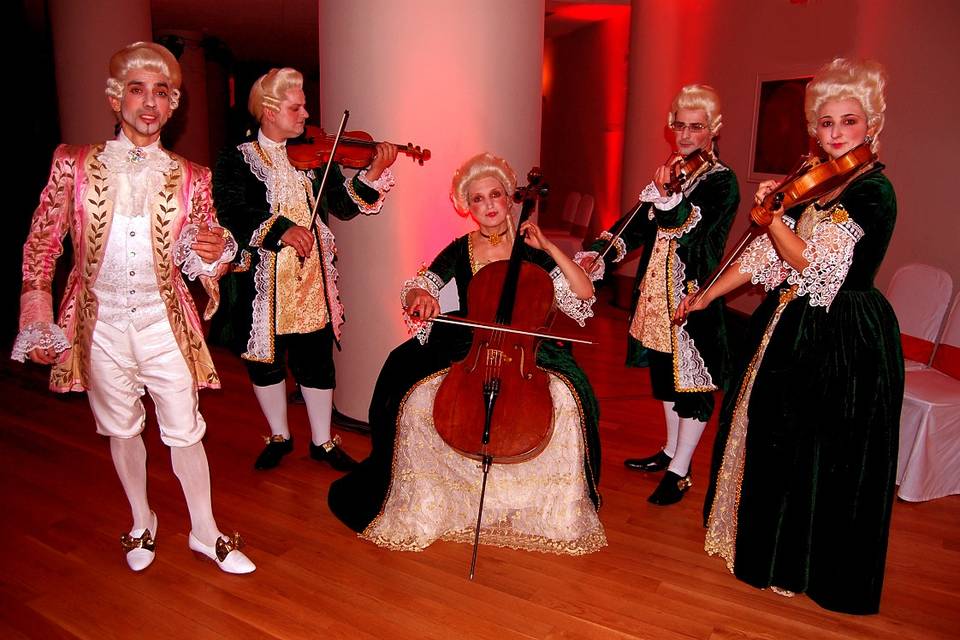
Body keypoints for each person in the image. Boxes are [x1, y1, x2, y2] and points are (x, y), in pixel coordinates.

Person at [12, 42, 254, 573]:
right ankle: (142, 521)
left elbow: (204, 252)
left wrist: (214, 255)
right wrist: (38, 318)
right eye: (138, 90)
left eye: (162, 93)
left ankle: (205, 531)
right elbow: (42, 246)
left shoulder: (195, 177)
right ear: (115, 97)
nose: (150, 103)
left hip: (162, 321)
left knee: (185, 428)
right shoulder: (72, 164)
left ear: (173, 105)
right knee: (121, 428)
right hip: (97, 324)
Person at [677, 58, 901, 614]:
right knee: (776, 437)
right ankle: (771, 553)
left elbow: (819, 270)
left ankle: (811, 566)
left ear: (870, 124)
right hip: (794, 325)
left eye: (848, 122)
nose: (835, 134)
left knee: (823, 450)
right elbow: (762, 260)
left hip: (845, 334)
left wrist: (773, 216)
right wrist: (705, 295)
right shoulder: (818, 183)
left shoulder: (874, 191)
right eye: (825, 123)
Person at [328, 153, 606, 555]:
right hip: (471, 338)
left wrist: (547, 244)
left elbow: (583, 292)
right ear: (467, 206)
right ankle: (426, 492)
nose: (489, 205)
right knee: (400, 376)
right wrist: (421, 295)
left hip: (524, 344)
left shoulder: (532, 249)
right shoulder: (462, 249)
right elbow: (419, 283)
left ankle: (539, 501)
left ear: (510, 198)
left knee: (574, 395)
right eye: (478, 199)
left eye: (495, 195)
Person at [210, 67, 398, 471]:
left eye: (304, 106)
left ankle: (322, 441)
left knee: (317, 361)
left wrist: (373, 173)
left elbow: (343, 207)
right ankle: (279, 435)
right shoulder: (236, 158)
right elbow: (232, 211)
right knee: (265, 363)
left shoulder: (314, 157)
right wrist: (282, 228)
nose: (305, 114)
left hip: (310, 278)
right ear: (268, 110)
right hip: (263, 283)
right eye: (296, 107)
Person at [582, 85, 739, 505]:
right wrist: (599, 255)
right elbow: (634, 226)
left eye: (697, 127)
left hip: (692, 298)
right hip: (655, 298)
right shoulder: (673, 171)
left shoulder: (722, 183)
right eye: (680, 126)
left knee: (692, 388)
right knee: (667, 382)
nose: (686, 135)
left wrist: (670, 199)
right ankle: (670, 451)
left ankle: (681, 470)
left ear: (713, 130)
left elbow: (694, 233)